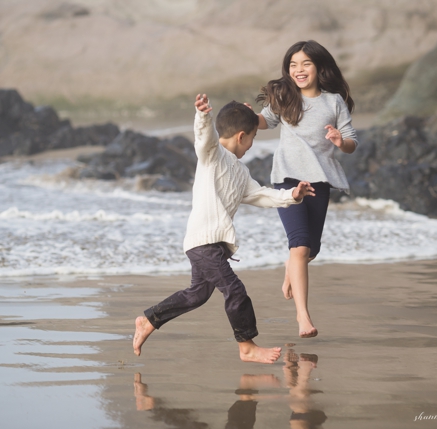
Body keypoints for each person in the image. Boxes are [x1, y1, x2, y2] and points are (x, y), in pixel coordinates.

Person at [133, 94, 315, 364]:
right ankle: (247, 346)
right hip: (203, 242)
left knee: (197, 295)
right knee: (235, 290)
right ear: (241, 136)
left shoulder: (240, 172)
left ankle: (149, 320)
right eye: (253, 137)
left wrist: (293, 195)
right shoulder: (212, 156)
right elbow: (204, 138)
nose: (252, 144)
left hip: (213, 245)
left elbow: (262, 195)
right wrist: (203, 116)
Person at [254, 40, 357, 339]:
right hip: (288, 179)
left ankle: (292, 266)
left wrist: (340, 141)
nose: (299, 70)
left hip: (318, 181)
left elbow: (351, 142)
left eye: (306, 64)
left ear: (319, 67)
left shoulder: (333, 102)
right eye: (293, 65)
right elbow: (264, 122)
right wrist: (248, 115)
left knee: (310, 250)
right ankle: (303, 317)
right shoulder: (285, 96)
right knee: (299, 245)